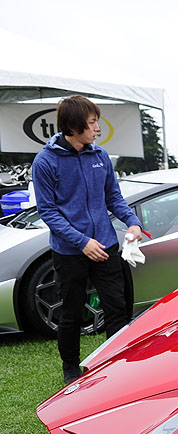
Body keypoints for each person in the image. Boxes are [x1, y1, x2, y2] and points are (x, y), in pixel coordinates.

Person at [32, 95, 143, 384]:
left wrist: (133, 222)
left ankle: (117, 366)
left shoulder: (100, 156)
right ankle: (71, 368)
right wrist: (82, 242)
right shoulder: (45, 161)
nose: (97, 128)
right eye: (92, 123)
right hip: (70, 252)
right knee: (71, 311)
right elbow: (48, 212)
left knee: (116, 307)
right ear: (73, 125)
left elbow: (113, 197)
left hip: (106, 245)